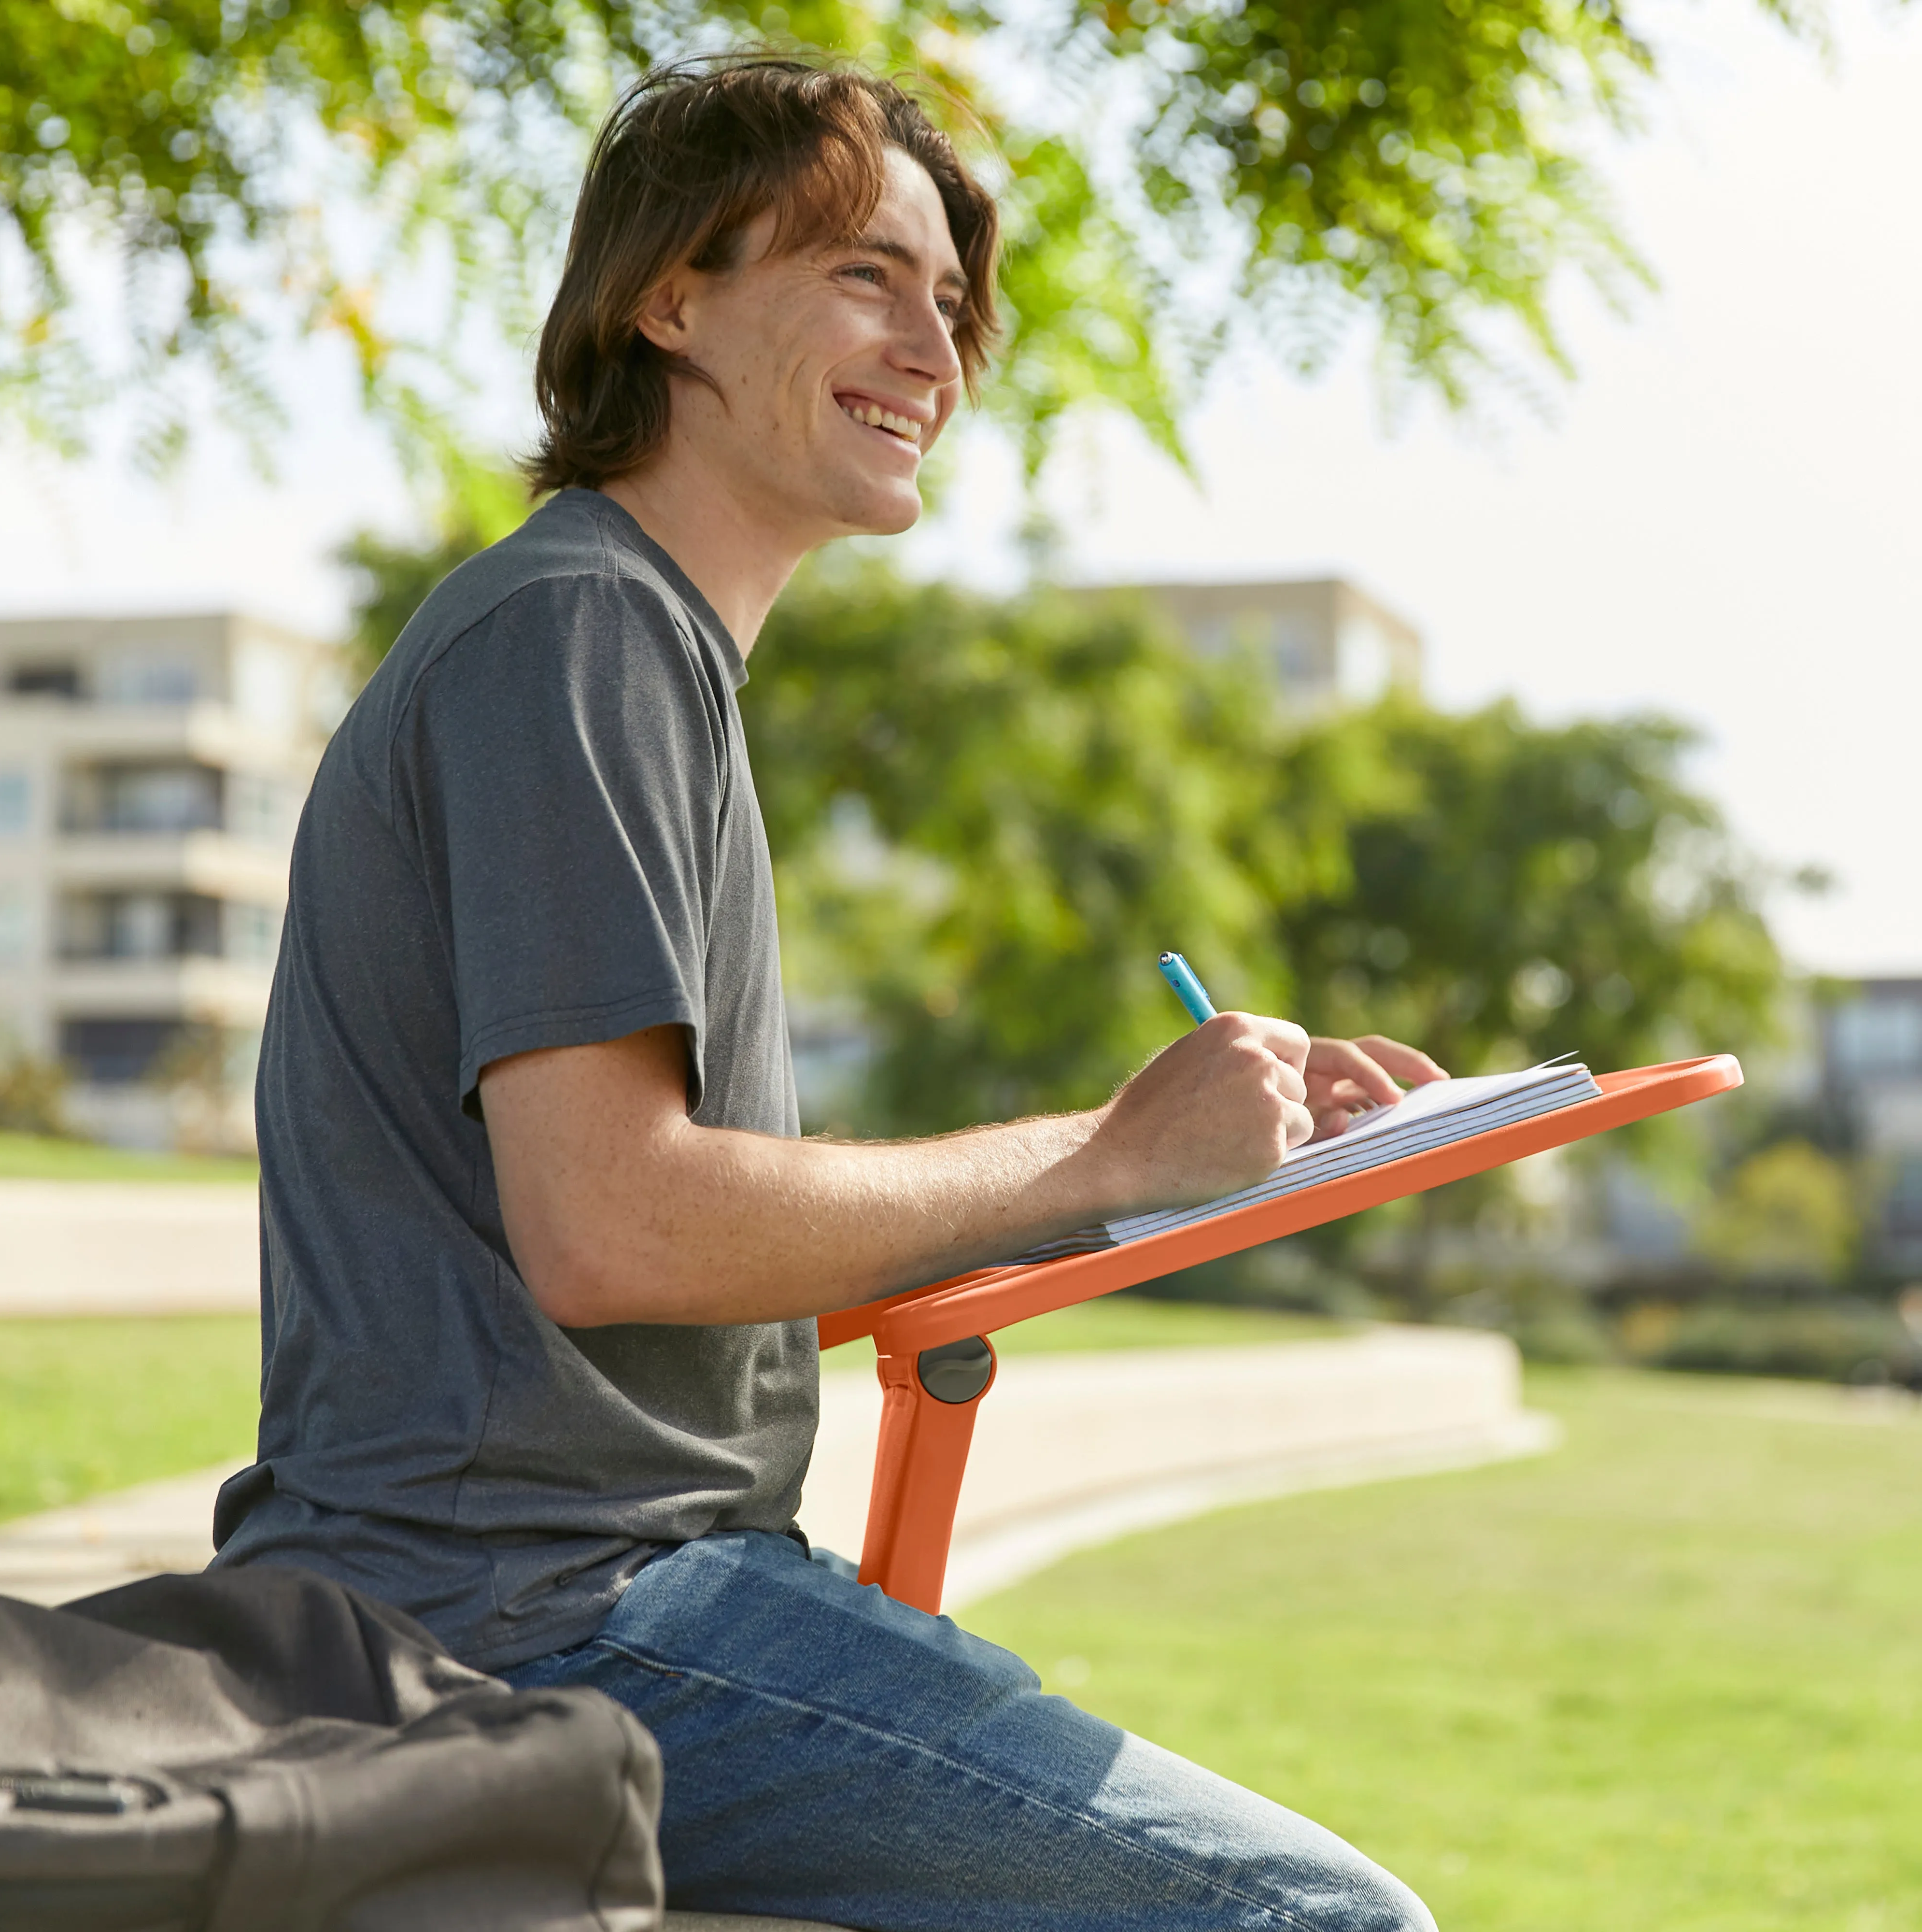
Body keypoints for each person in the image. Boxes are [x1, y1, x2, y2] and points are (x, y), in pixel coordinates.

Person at [213, 56, 1446, 1931]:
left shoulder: (629, 650)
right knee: (1327, 1921)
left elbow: (669, 1226)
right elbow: (616, 1228)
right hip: (532, 1623)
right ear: (669, 295)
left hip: (557, 1594)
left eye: (949, 303)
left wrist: (1168, 1162)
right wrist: (1099, 1144)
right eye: (867, 274)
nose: (933, 349)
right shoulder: (582, 631)